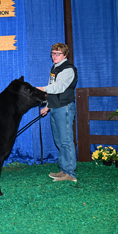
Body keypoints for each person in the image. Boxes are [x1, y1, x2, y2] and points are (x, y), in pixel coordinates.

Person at [37, 43, 78, 182]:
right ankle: (64, 169)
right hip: (55, 107)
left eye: (58, 53)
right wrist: (47, 106)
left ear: (65, 55)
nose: (54, 56)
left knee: (66, 141)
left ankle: (70, 173)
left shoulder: (68, 69)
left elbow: (59, 87)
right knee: (59, 141)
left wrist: (41, 89)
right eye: (53, 53)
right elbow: (54, 92)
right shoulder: (55, 68)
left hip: (64, 107)